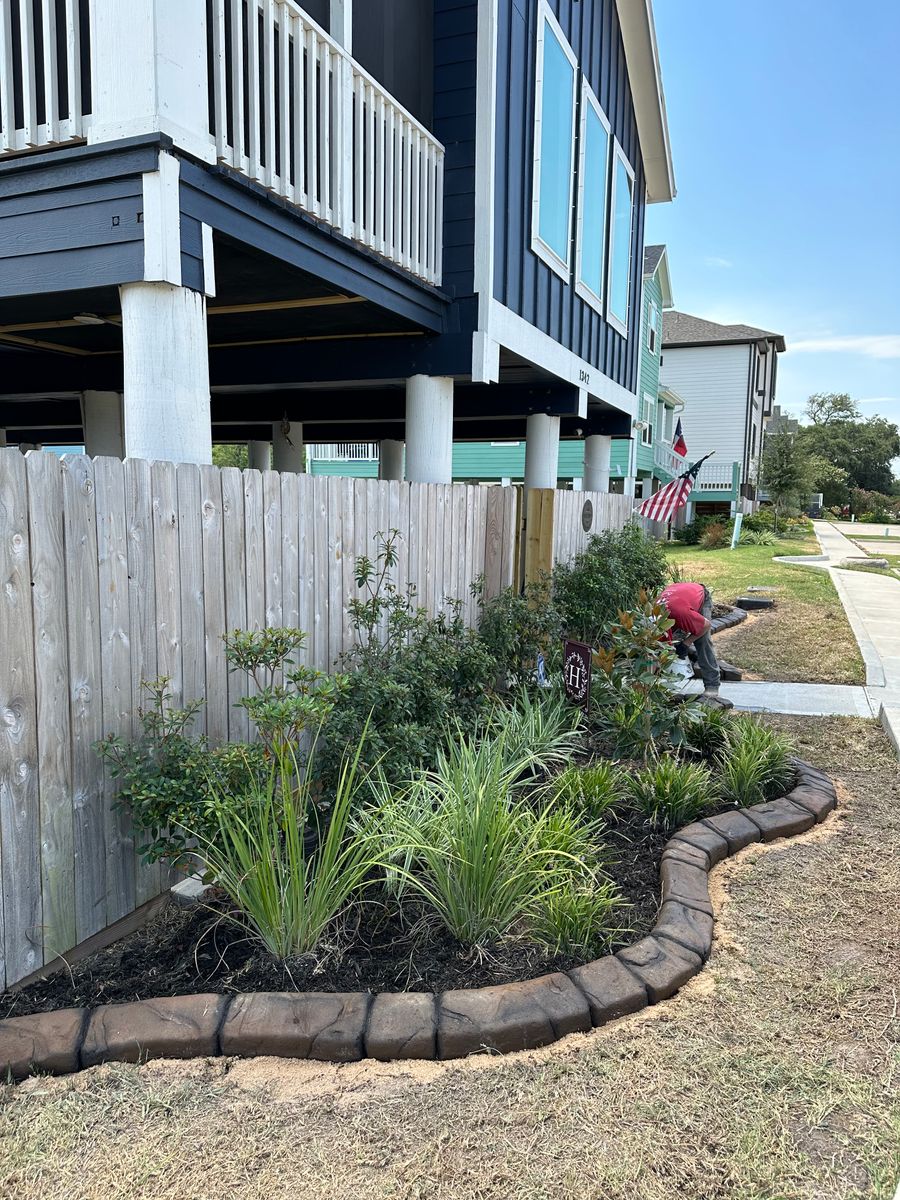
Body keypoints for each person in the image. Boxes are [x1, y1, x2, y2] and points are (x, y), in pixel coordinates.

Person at [659, 580, 733, 708]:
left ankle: (712, 685)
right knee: (663, 647)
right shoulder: (652, 618)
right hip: (679, 593)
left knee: (702, 640)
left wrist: (686, 644)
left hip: (699, 597)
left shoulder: (681, 614)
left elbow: (706, 625)